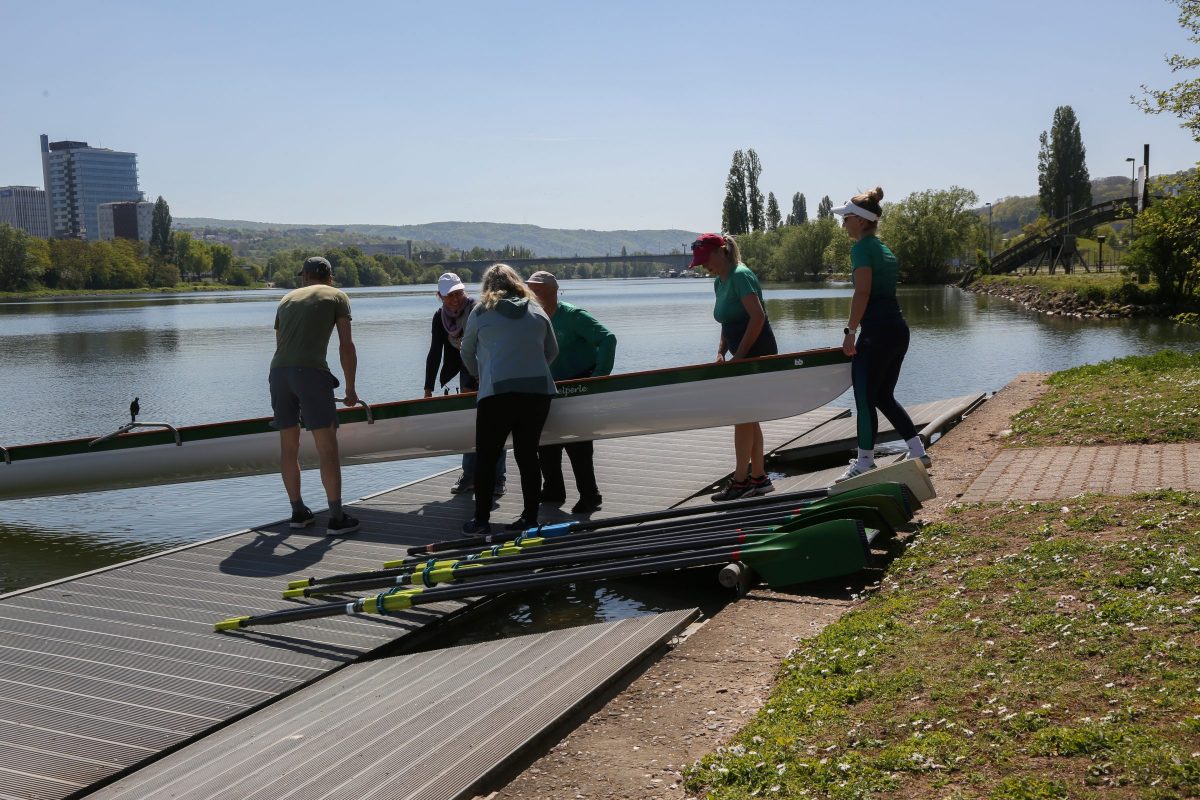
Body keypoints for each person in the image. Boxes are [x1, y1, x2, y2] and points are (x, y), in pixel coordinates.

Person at [831, 187, 929, 482]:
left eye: (846, 217)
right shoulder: (884, 249)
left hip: (876, 333)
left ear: (860, 220)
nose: (843, 223)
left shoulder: (862, 248)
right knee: (883, 395)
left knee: (864, 397)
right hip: (898, 329)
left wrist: (850, 332)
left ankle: (864, 463)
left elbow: (862, 292)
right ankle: (917, 451)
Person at [460, 264, 558, 534]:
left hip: (497, 394)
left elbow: (466, 352)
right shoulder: (537, 310)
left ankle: (481, 520)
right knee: (528, 456)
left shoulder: (481, 311)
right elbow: (552, 350)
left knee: (487, 457)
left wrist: (481, 375)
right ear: (517, 283)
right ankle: (530, 518)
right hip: (538, 393)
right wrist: (533, 370)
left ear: (488, 287)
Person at [269, 256, 360, 535]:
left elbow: (280, 344)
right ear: (329, 277)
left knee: (289, 446)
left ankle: (298, 512)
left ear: (305, 277)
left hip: (279, 373)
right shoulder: (338, 296)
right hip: (310, 373)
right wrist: (350, 388)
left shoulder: (286, 299)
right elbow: (346, 346)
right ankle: (336, 518)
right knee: (326, 447)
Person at [689, 233, 778, 501]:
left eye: (706, 260)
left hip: (757, 353)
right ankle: (759, 478)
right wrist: (720, 353)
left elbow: (757, 317)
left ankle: (740, 482)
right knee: (748, 416)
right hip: (742, 354)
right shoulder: (720, 282)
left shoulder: (741, 275)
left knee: (742, 416)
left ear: (721, 252)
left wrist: (740, 356)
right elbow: (727, 323)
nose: (704, 266)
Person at [526, 270, 616, 514]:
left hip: (578, 384)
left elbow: (608, 339)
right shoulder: (532, 318)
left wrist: (598, 379)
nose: (531, 295)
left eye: (537, 290)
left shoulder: (574, 315)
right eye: (530, 290)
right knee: (545, 441)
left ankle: (590, 495)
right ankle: (554, 489)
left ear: (553, 292)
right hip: (548, 386)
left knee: (579, 444)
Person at [423, 272, 507, 496]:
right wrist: (428, 388)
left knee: (496, 424)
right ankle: (470, 475)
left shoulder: (480, 309)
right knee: (472, 425)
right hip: (466, 373)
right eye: (449, 295)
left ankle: (498, 479)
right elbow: (434, 353)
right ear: (439, 296)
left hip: (490, 370)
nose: (455, 299)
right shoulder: (439, 318)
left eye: (458, 293)